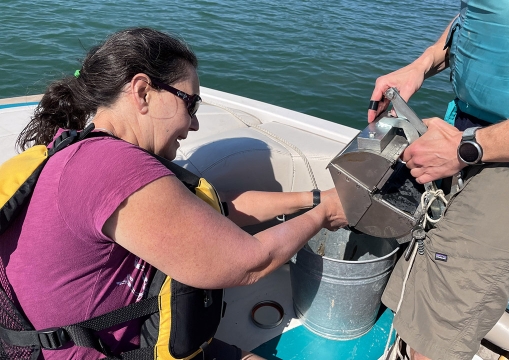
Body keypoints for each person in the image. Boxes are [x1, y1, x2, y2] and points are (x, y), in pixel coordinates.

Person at [1, 27, 347, 359]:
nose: (193, 124)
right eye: (190, 104)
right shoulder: (111, 167)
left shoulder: (89, 152)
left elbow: (223, 207)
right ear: (142, 92)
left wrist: (314, 199)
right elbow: (248, 263)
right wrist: (323, 216)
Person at [367, 1, 509, 360]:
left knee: (434, 332)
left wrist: (466, 150)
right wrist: (421, 66)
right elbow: (478, 19)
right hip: (472, 131)